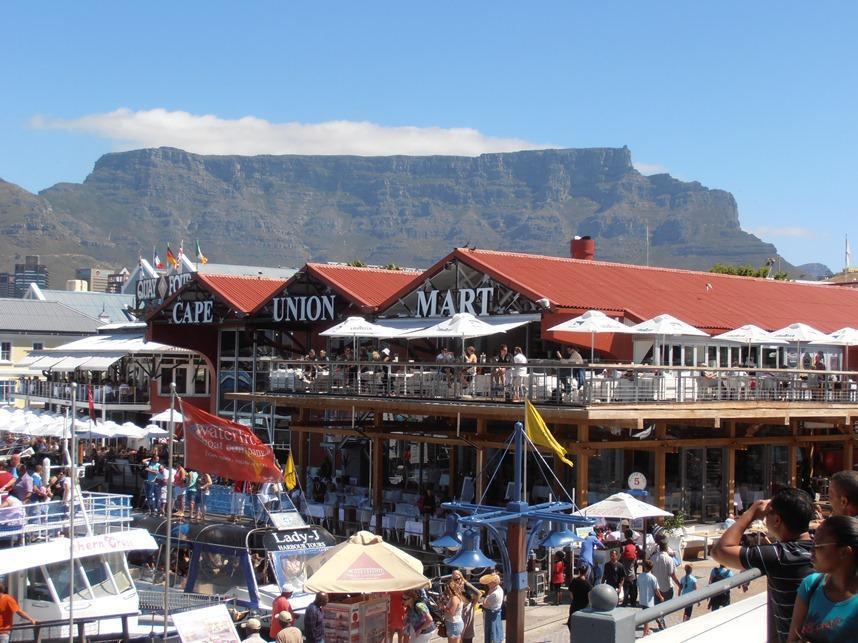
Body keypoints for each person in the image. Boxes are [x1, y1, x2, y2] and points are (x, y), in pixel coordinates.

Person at [711, 487, 815, 643]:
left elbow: (719, 551)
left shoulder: (779, 555)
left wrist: (752, 512)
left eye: (768, 515)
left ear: (777, 520)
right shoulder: (822, 548)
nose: (765, 519)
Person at [788, 515, 858, 642]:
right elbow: (792, 639)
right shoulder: (810, 585)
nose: (811, 551)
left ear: (844, 552)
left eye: (818, 546)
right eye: (812, 544)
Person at [636, 560, 662, 636]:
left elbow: (638, 586)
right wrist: (661, 597)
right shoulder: (653, 577)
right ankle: (645, 632)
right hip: (649, 600)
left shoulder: (640, 576)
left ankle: (647, 630)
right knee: (647, 618)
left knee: (646, 615)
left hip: (642, 598)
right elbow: (656, 590)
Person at [567, 566, 593, 634]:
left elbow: (571, 593)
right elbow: (589, 596)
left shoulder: (574, 581)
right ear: (586, 572)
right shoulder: (587, 584)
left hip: (574, 604)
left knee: (571, 622)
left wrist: (573, 600)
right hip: (584, 606)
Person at [480, 573, 504, 642]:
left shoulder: (494, 594)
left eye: (490, 582)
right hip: (495, 613)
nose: (488, 584)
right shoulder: (500, 589)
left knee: (491, 633)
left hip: (491, 615)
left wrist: (488, 594)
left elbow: (484, 604)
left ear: (494, 583)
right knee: (496, 631)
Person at [620, 529, 641, 607]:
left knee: (626, 589)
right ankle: (633, 602)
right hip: (633, 574)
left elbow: (620, 559)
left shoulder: (624, 546)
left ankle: (625, 602)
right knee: (633, 589)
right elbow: (642, 553)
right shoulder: (635, 545)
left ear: (626, 535)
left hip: (625, 575)